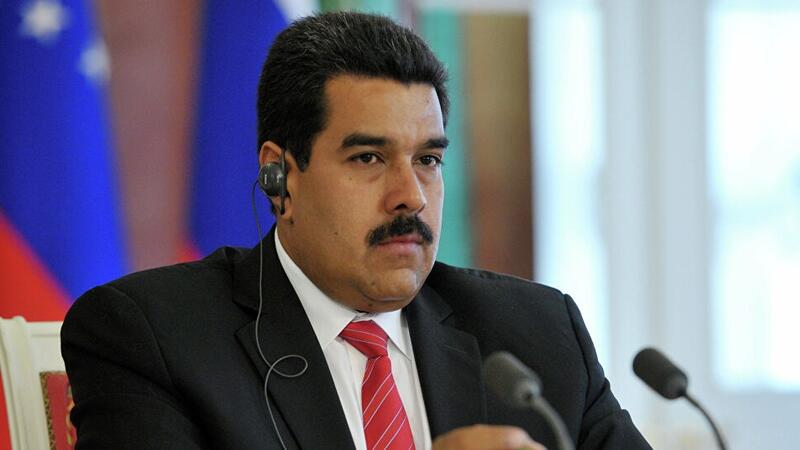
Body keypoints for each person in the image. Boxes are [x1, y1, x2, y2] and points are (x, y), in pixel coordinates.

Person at [61, 11, 650, 450]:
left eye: (428, 159)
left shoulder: (537, 335)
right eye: (368, 158)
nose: (411, 195)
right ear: (280, 178)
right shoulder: (153, 338)